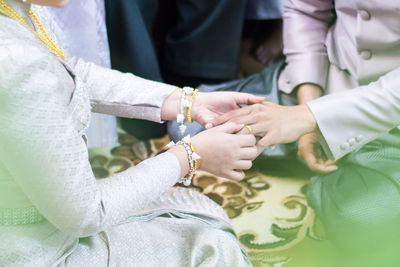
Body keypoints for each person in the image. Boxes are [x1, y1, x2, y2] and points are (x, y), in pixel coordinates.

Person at [0, 0, 264, 265]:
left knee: (195, 208)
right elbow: (87, 214)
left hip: (42, 219)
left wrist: (185, 101)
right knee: (211, 244)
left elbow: (70, 71)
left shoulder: (16, 9)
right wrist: (191, 155)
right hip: (35, 250)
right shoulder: (18, 62)